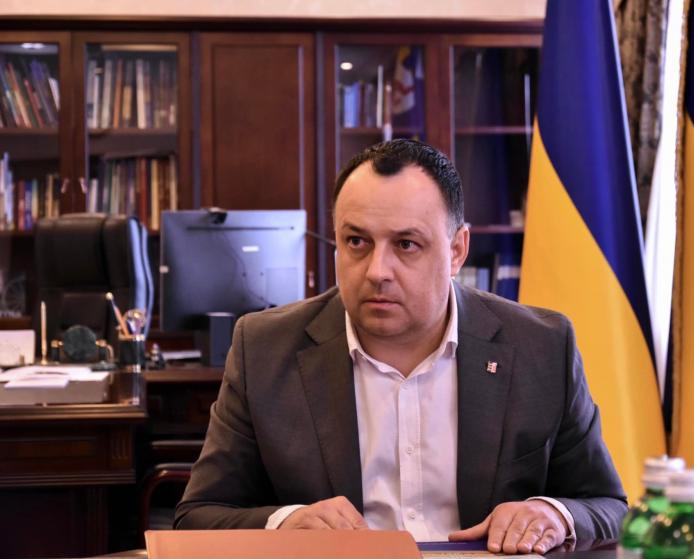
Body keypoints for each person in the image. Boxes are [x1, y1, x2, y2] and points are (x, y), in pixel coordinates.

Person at [175, 139, 627, 554]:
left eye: (407, 244)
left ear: (457, 250)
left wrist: (553, 514)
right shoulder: (264, 348)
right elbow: (198, 517)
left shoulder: (541, 346)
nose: (377, 271)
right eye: (357, 242)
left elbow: (608, 506)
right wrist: (284, 523)